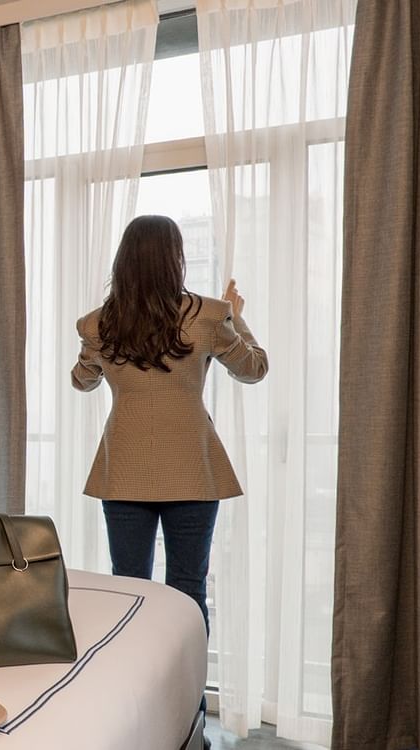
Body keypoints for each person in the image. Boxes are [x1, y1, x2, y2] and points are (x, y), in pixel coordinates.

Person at [70, 215, 267, 628]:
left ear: (123, 263)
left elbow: (81, 382)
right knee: (188, 590)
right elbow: (254, 368)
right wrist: (236, 316)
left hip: (123, 471)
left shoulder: (98, 324)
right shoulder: (211, 316)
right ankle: (190, 696)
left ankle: (135, 689)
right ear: (175, 259)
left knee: (129, 591)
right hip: (193, 470)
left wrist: (96, 353)